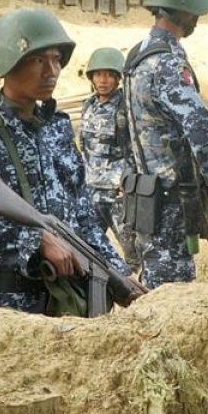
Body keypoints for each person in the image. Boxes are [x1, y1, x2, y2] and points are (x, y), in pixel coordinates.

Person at [0, 8, 136, 314]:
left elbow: (83, 212)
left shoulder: (57, 126)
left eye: (57, 60)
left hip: (71, 300)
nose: (52, 70)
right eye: (38, 60)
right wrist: (34, 242)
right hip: (12, 309)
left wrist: (116, 272)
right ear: (8, 62)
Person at [123, 0, 208, 289]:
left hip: (142, 195)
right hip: (169, 200)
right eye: (196, 11)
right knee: (172, 297)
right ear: (185, 10)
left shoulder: (136, 55)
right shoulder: (167, 63)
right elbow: (199, 127)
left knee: (153, 280)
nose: (197, 18)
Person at [78, 47, 140, 268]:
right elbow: (84, 147)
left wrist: (129, 180)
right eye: (98, 74)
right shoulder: (88, 106)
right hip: (92, 191)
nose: (102, 80)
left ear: (117, 78)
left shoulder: (126, 108)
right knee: (85, 249)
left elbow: (135, 149)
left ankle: (139, 296)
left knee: (133, 252)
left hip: (118, 193)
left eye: (108, 75)